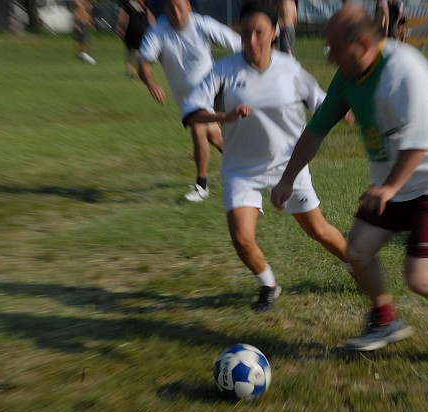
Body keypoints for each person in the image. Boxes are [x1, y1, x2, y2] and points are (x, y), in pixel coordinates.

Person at [271, 6, 428, 373]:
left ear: (364, 44)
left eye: (335, 48)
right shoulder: (347, 77)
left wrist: (389, 187)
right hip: (393, 184)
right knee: (358, 251)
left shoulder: (402, 70)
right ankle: (384, 319)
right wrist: (288, 177)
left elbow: (420, 142)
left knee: (420, 277)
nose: (330, 57)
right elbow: (315, 131)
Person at [181, 0, 350, 312]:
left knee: (319, 231)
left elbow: (321, 101)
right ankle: (269, 285)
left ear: (275, 32)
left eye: (259, 32)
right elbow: (191, 111)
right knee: (242, 239)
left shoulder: (290, 69)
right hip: (242, 169)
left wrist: (348, 112)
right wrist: (223, 116)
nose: (251, 41)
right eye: (246, 33)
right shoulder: (224, 69)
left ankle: (357, 264)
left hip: (289, 165)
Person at [138, 0, 242, 202]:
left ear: (188, 7)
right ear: (165, 10)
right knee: (215, 137)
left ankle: (201, 186)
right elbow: (143, 62)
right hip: (185, 98)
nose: (176, 13)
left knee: (199, 129)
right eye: (170, 8)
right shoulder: (158, 30)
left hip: (213, 89)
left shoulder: (202, 24)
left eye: (179, 6)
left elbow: (238, 43)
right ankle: (248, 168)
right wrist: (151, 84)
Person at [116, 0, 156, 79]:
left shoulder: (127, 2)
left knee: (131, 51)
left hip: (131, 28)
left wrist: (120, 27)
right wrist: (153, 28)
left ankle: (132, 72)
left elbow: (123, 16)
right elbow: (151, 16)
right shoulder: (145, 2)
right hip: (144, 28)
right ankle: (145, 70)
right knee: (142, 50)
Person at [73, 0, 96, 64]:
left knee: (86, 41)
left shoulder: (87, 6)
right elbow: (76, 13)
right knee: (82, 41)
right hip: (81, 22)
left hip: (85, 22)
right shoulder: (79, 6)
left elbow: (88, 15)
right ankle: (82, 54)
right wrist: (77, 25)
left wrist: (91, 24)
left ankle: (85, 55)